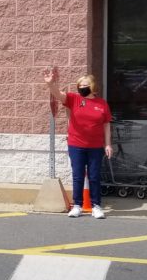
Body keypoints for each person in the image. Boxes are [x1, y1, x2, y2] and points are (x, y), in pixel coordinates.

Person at [43, 67, 113, 219]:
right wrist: (50, 84)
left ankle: (96, 206)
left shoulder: (102, 104)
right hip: (76, 144)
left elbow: (106, 125)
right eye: (80, 86)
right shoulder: (74, 99)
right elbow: (59, 95)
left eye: (85, 85)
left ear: (93, 86)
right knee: (77, 176)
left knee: (94, 176)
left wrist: (107, 144)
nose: (82, 88)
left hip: (95, 146)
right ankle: (77, 205)